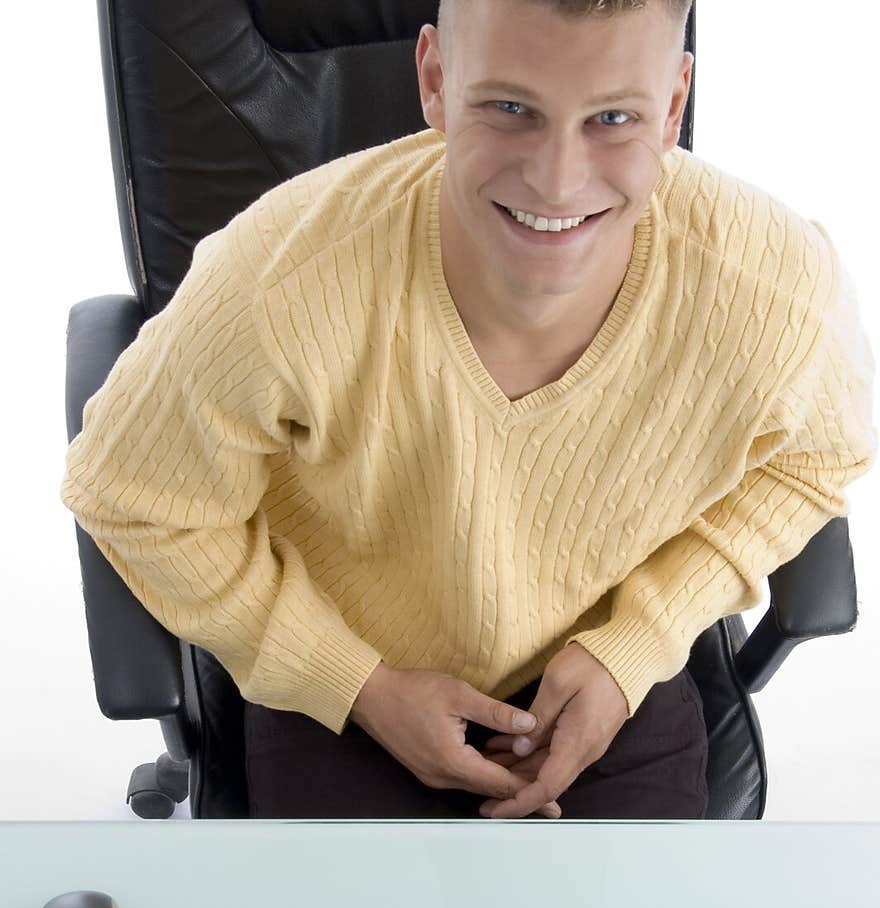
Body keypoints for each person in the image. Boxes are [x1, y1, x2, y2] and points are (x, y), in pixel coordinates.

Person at [61, 0, 876, 821]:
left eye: (613, 118)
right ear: (436, 79)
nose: (557, 181)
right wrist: (356, 685)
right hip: (348, 667)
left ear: (673, 107)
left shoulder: (771, 289)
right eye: (511, 108)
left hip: (607, 665)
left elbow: (823, 455)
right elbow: (127, 492)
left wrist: (638, 641)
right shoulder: (282, 283)